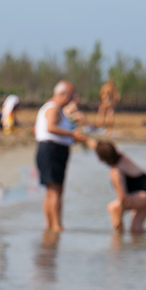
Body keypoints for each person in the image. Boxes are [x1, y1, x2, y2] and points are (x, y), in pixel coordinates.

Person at [35, 80, 88, 232]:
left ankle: (50, 226)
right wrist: (72, 134)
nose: (73, 99)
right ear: (63, 94)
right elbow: (50, 127)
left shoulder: (56, 109)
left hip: (52, 150)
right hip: (52, 151)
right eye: (71, 96)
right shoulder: (53, 107)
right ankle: (57, 226)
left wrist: (72, 135)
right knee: (55, 190)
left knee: (51, 190)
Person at [92, 140, 146, 234]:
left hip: (144, 195)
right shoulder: (123, 158)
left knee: (113, 208)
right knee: (136, 229)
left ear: (101, 158)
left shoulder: (115, 172)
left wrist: (118, 220)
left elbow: (122, 198)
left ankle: (118, 237)